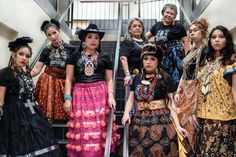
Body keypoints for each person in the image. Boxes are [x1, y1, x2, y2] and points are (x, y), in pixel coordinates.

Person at [122, 43, 188, 157]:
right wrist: (126, 113)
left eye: (152, 59)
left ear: (158, 61)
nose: (148, 62)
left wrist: (178, 126)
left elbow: (171, 105)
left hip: (161, 122)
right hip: (140, 122)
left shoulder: (166, 78)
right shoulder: (137, 78)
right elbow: (130, 100)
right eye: (145, 59)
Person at [64, 24, 120, 157]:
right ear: (83, 40)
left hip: (100, 94)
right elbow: (68, 79)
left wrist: (111, 96)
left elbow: (109, 80)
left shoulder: (105, 57)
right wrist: (67, 98)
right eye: (90, 37)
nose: (93, 40)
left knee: (100, 128)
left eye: (96, 37)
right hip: (80, 94)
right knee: (82, 127)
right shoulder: (74, 56)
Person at [0, 37, 60, 156]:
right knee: (19, 145)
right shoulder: (5, 73)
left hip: (31, 110)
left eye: (27, 56)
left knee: (41, 138)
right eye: (21, 54)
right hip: (14, 114)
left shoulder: (25, 74)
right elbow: (0, 100)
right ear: (14, 55)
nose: (24, 58)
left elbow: (30, 95)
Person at [196, 25, 236, 156]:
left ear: (227, 40)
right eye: (213, 37)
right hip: (203, 115)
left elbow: (235, 88)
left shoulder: (232, 60)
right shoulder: (206, 62)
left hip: (223, 116)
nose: (217, 40)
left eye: (221, 37)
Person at [174, 18, 209, 155]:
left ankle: (195, 151)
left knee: (193, 123)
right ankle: (186, 151)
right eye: (190, 31)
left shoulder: (206, 50)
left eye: (195, 30)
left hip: (196, 89)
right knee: (181, 120)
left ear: (203, 32)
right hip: (185, 89)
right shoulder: (190, 52)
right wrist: (178, 91)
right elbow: (184, 73)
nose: (192, 33)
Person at [31, 19, 75, 121]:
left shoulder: (70, 49)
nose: (53, 37)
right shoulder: (46, 50)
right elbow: (37, 68)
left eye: (54, 33)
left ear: (59, 31)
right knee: (46, 113)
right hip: (47, 81)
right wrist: (24, 76)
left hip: (64, 81)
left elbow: (73, 68)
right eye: (49, 35)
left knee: (67, 111)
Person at [146, 3, 190, 90]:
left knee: (177, 76)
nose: (169, 15)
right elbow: (146, 37)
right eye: (167, 12)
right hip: (162, 54)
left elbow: (186, 41)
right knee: (164, 77)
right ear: (163, 12)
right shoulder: (157, 25)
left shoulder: (178, 26)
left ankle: (177, 95)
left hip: (175, 53)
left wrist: (187, 56)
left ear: (174, 16)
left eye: (172, 14)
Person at [120, 17, 148, 86]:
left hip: (147, 76)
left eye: (140, 26)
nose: (137, 28)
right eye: (134, 26)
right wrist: (127, 75)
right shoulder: (127, 42)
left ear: (143, 29)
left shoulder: (146, 43)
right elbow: (123, 58)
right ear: (129, 29)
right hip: (134, 76)